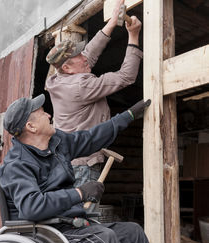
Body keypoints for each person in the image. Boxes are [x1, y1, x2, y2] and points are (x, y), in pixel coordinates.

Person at [0, 93, 152, 243]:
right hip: (44, 232)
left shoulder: (56, 143)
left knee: (133, 232)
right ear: (31, 127)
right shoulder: (16, 165)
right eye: (42, 113)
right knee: (105, 238)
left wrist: (128, 116)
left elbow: (91, 139)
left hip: (69, 224)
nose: (48, 115)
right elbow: (32, 206)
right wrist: (80, 193)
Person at [45, 0, 143, 188]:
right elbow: (126, 77)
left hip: (68, 163)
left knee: (74, 215)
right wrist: (134, 37)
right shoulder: (80, 86)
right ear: (67, 67)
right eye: (78, 56)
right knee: (84, 216)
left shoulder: (56, 79)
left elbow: (88, 55)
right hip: (83, 167)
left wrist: (113, 22)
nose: (84, 57)